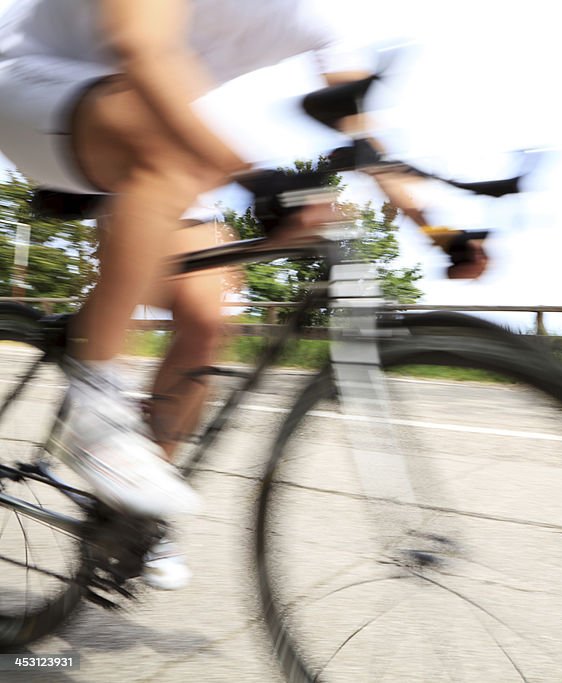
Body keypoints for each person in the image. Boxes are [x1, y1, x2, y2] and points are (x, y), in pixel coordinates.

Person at [0, 0, 487, 589]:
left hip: (130, 110)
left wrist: (439, 231)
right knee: (173, 154)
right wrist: (257, 178)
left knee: (208, 315)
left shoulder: (318, 21)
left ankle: (132, 513)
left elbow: (363, 139)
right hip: (29, 77)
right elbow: (142, 48)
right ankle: (95, 409)